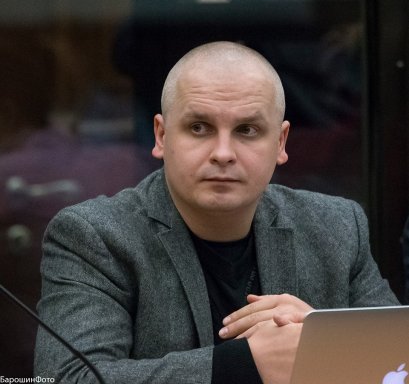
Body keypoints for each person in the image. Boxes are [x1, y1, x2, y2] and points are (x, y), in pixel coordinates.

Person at [34, 41, 399, 384]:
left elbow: (400, 361)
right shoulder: (95, 237)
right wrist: (245, 363)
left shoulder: (337, 226)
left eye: (247, 130)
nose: (223, 153)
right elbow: (66, 378)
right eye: (199, 128)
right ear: (161, 135)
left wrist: (326, 338)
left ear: (280, 143)